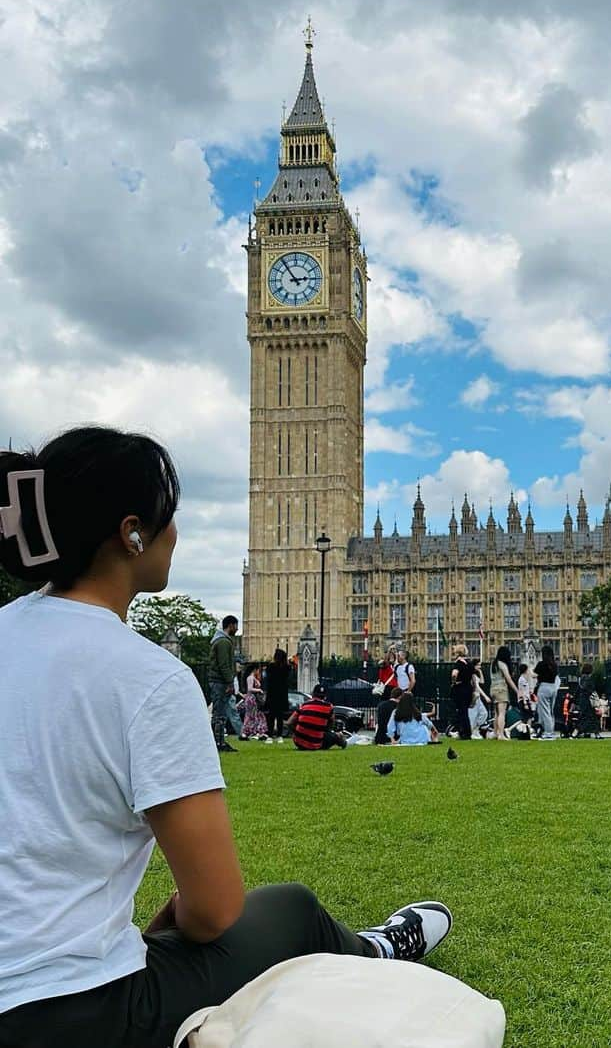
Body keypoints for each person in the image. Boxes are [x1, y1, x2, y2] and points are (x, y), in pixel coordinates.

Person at [0, 426, 453, 1048]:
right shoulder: (148, 677)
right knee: (290, 908)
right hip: (72, 1015)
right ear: (134, 533)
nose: (176, 534)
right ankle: (374, 953)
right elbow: (214, 911)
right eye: (171, 518)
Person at [209, 614, 242, 752]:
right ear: (231, 625)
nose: (237, 629)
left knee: (220, 713)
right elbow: (224, 665)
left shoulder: (222, 640)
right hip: (220, 682)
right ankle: (218, 742)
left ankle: (218, 741)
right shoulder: (223, 642)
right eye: (236, 625)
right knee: (219, 714)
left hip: (219, 681)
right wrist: (230, 682)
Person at [285, 685, 347, 750]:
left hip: (299, 743)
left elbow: (289, 723)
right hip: (316, 743)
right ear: (325, 697)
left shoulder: (304, 705)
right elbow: (331, 725)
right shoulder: (329, 707)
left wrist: (296, 732)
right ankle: (343, 742)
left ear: (312, 694)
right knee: (336, 736)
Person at [262, 647, 291, 741]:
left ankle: (270, 735)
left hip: (272, 694)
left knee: (271, 716)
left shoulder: (270, 667)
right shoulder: (286, 668)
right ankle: (279, 735)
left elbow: (267, 680)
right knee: (280, 717)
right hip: (282, 695)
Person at [489, 645, 517, 740]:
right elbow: (508, 679)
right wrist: (517, 691)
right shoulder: (502, 664)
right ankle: (501, 734)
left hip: (493, 689)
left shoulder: (493, 664)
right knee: (502, 713)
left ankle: (495, 732)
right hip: (501, 689)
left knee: (496, 713)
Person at [449, 644, 475, 740]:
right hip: (468, 688)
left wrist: (453, 682)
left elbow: (454, 674)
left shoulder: (458, 663)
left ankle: (463, 732)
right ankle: (467, 732)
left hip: (460, 688)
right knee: (465, 711)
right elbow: (473, 678)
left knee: (461, 711)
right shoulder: (469, 663)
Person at [534, 645, 560, 740]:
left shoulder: (541, 664)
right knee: (550, 711)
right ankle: (551, 731)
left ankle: (548, 732)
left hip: (544, 687)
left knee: (544, 711)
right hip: (553, 687)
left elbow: (534, 674)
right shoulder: (554, 664)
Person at [241, 663, 268, 741]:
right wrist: (259, 690)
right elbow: (249, 689)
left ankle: (255, 731)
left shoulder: (254, 678)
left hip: (254, 698)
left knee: (255, 715)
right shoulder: (250, 678)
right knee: (251, 715)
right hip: (251, 698)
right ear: (255, 670)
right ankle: (250, 731)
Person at [575, 663, 601, 738]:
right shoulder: (587, 678)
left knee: (587, 717)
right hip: (588, 700)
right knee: (589, 717)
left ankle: (596, 734)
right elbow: (587, 688)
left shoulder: (581, 678)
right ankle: (575, 732)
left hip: (584, 700)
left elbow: (579, 690)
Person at [516, 661, 536, 728]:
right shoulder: (522, 680)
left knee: (525, 718)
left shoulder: (524, 679)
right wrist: (525, 703)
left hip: (526, 700)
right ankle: (528, 731)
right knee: (529, 717)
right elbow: (522, 691)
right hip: (523, 700)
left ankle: (526, 730)